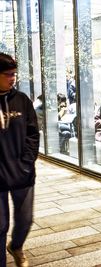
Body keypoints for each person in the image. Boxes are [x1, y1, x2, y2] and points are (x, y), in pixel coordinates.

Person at [0, 53, 39, 267]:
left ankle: (16, 246)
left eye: (14, 74)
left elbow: (33, 134)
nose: (12, 78)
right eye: (8, 74)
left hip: (22, 173)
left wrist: (27, 162)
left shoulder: (22, 100)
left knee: (25, 220)